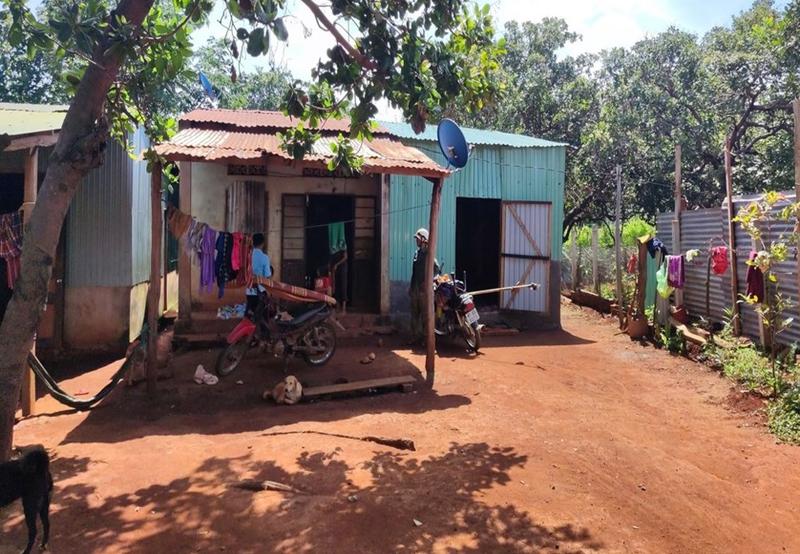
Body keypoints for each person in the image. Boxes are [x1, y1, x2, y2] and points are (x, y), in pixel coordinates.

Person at [408, 228, 440, 345]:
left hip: (424, 291)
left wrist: (429, 282)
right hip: (415, 289)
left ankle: (426, 339)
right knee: (414, 314)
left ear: (424, 239)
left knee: (425, 315)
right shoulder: (416, 254)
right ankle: (414, 337)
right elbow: (414, 272)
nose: (416, 241)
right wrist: (411, 287)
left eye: (418, 239)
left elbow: (437, 271)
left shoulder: (429, 254)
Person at [246, 233, 271, 317]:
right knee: (262, 315)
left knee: (250, 313)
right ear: (263, 243)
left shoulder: (248, 256)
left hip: (249, 290)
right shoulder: (264, 257)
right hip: (261, 290)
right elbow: (267, 275)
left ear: (252, 243)